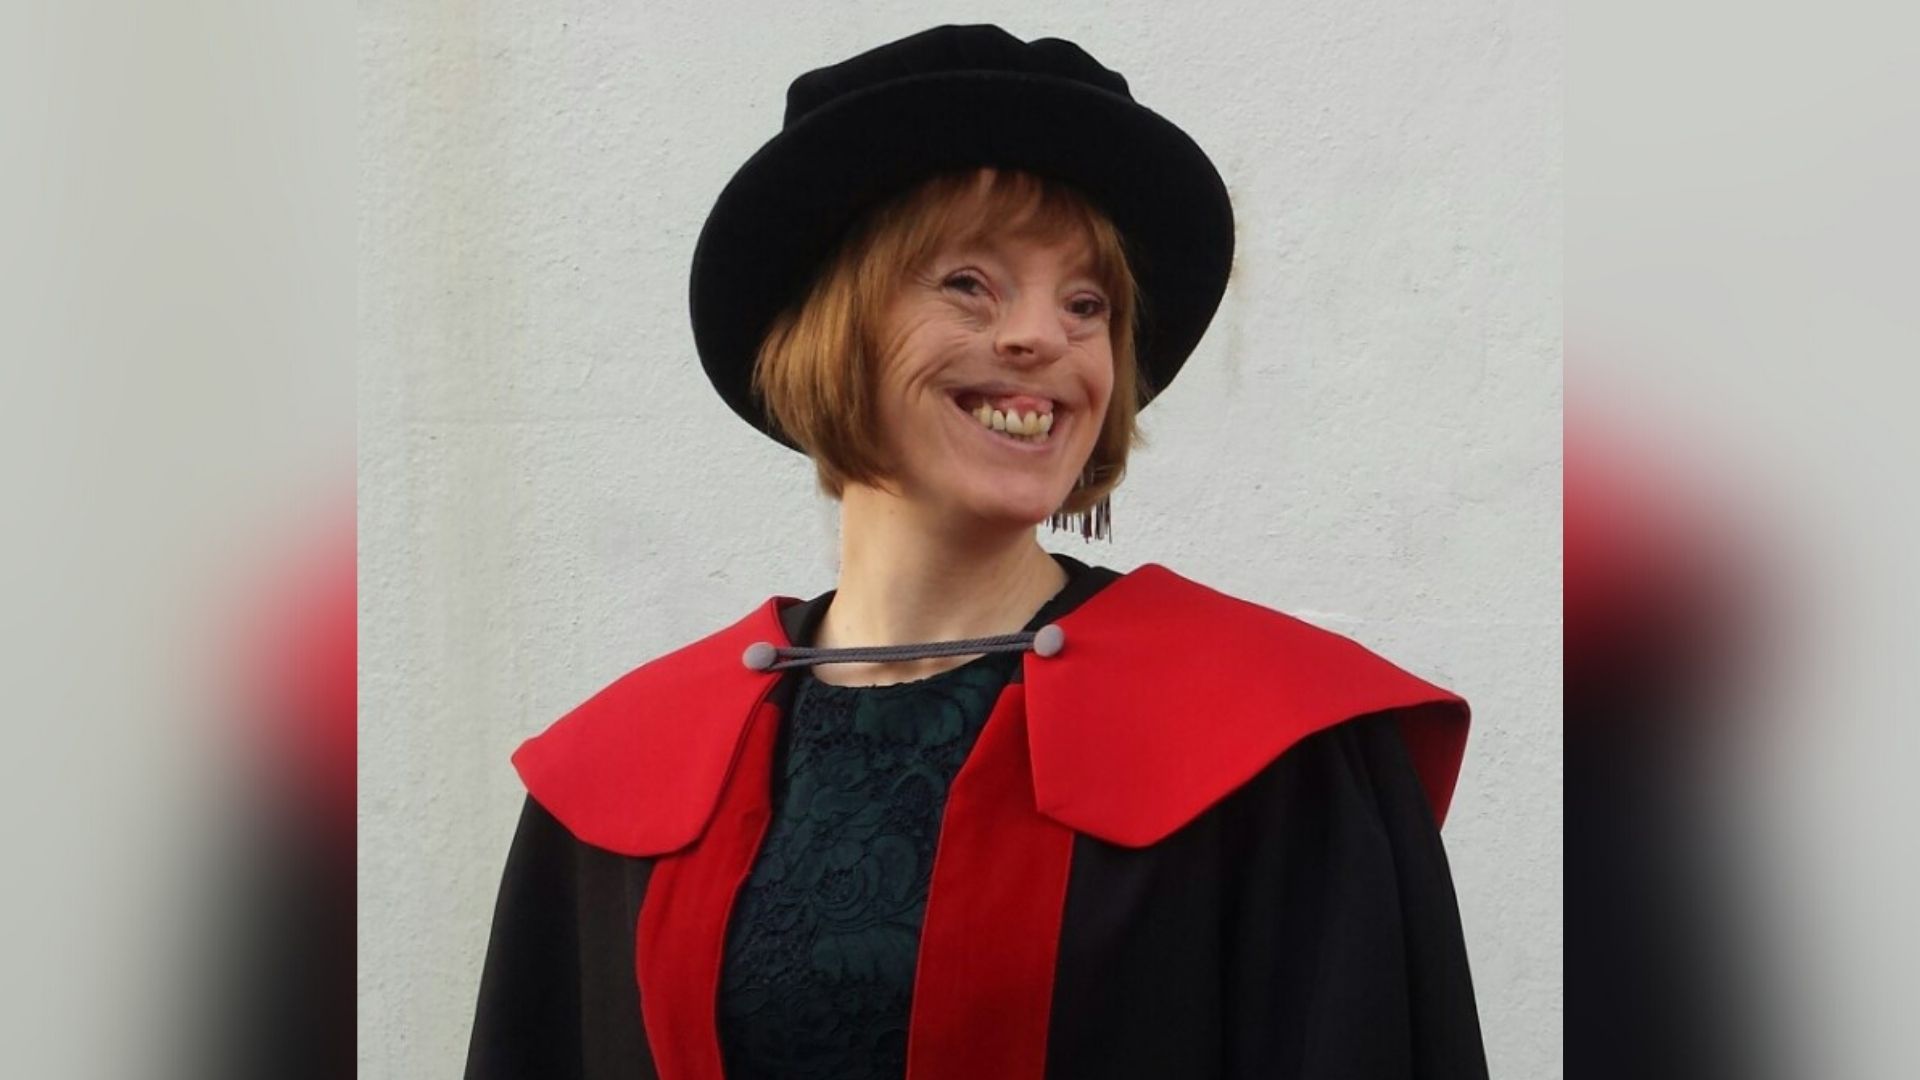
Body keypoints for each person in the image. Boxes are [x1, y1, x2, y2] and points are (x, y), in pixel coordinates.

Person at [465, 24, 1489, 1080]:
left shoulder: (1278, 755)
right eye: (969, 283)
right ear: (831, 328)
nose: (1042, 337)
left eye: (1086, 304)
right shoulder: (618, 781)